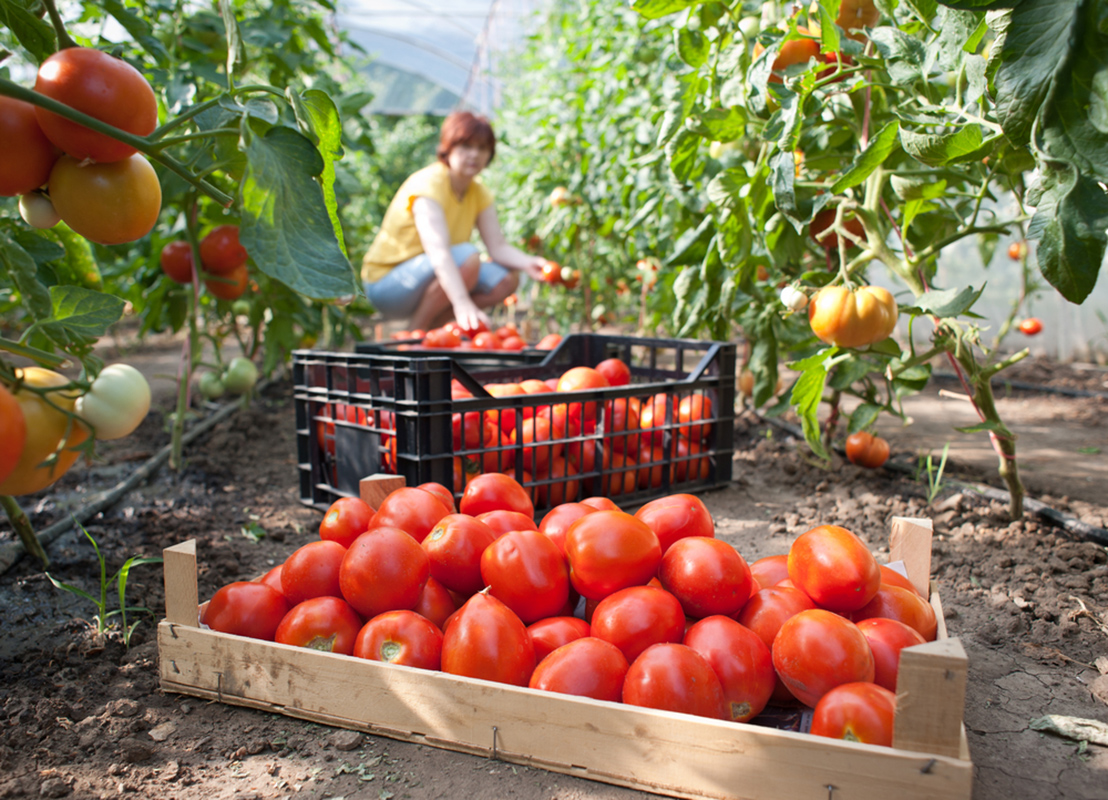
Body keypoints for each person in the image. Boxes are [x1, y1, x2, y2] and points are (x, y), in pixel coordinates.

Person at [361, 111, 547, 333]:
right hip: (388, 285)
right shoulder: (428, 184)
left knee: (506, 279)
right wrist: (461, 302)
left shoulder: (479, 192)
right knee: (468, 257)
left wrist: (529, 262)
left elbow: (497, 246)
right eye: (466, 146)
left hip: (430, 278)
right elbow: (438, 253)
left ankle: (432, 333)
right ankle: (415, 334)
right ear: (448, 148)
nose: (474, 155)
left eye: (482, 148)